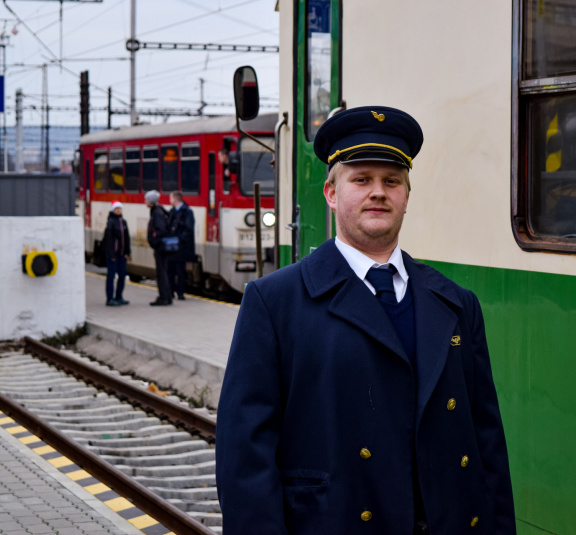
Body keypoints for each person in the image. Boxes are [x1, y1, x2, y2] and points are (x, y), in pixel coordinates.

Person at [217, 106, 516, 534]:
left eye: (391, 181)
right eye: (361, 180)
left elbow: (487, 445)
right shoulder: (274, 302)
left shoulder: (456, 304)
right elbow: (245, 457)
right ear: (331, 193)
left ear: (406, 197)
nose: (378, 192)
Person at [144, 190, 172, 306]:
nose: (145, 202)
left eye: (147, 199)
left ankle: (163, 297)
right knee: (163, 272)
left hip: (160, 248)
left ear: (151, 201)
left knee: (161, 273)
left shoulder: (156, 212)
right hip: (162, 247)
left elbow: (160, 230)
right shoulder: (160, 210)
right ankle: (167, 296)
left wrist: (155, 242)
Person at [167, 191, 195, 300]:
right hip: (171, 246)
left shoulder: (187, 212)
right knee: (170, 269)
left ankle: (180, 292)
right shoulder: (172, 211)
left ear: (174, 199)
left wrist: (179, 239)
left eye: (171, 198)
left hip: (181, 247)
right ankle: (170, 291)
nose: (170, 200)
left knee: (180, 270)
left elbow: (188, 229)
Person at [103, 201, 130, 306]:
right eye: (116, 209)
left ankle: (119, 296)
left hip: (122, 254)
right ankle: (110, 298)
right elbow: (108, 240)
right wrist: (111, 254)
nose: (118, 210)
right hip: (113, 254)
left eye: (120, 209)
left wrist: (127, 252)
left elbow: (127, 238)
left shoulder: (123, 222)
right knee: (111, 276)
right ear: (113, 210)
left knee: (122, 275)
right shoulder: (111, 222)